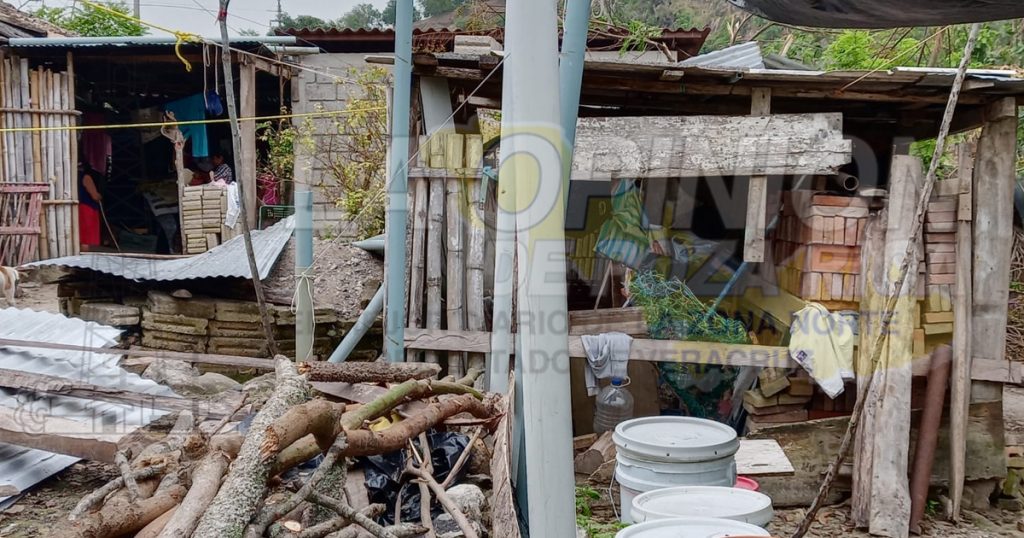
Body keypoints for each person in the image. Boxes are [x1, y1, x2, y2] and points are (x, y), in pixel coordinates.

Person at [78, 162, 103, 251]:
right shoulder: (86, 177)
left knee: (80, 235)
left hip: (77, 207)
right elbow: (94, 196)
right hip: (87, 208)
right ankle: (83, 259)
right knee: (86, 237)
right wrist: (99, 196)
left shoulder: (72, 178)